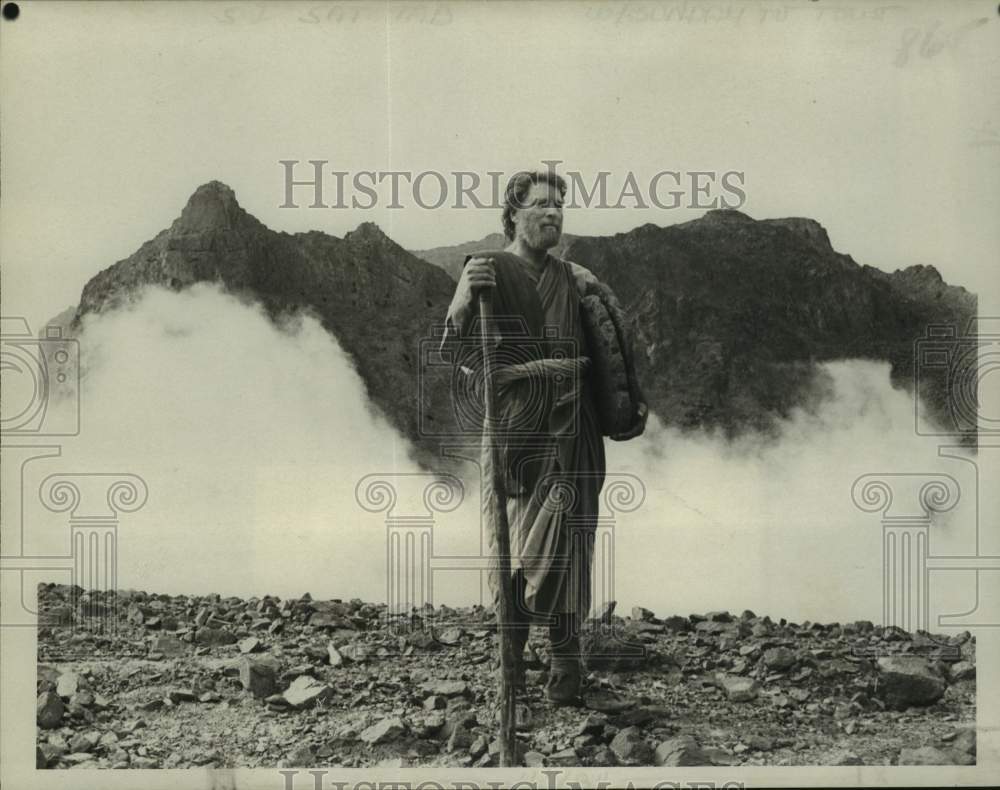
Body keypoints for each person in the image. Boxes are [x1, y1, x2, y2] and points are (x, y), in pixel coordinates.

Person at [440, 169, 647, 706]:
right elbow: (453, 352)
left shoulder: (575, 278)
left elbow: (612, 349)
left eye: (559, 205)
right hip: (516, 429)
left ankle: (565, 663)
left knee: (572, 545)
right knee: (514, 546)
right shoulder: (486, 271)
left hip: (574, 430)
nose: (553, 212)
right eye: (541, 204)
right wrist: (464, 301)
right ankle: (510, 662)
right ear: (513, 214)